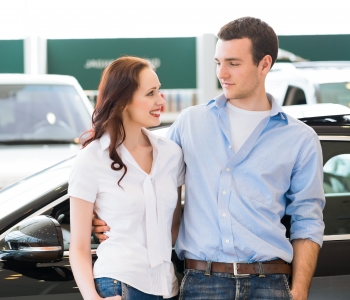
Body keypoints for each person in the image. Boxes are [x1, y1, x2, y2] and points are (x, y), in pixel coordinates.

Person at [94, 17, 325, 300]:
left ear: (264, 64)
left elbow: (307, 221)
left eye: (233, 63)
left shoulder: (300, 139)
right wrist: (100, 211)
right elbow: (144, 177)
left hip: (270, 284)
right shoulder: (191, 122)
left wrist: (299, 292)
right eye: (218, 62)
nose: (222, 73)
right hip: (203, 283)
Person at [69, 56, 185, 300]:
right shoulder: (91, 159)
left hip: (168, 286)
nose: (160, 100)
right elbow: (78, 247)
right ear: (122, 101)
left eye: (159, 91)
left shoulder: (171, 154)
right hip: (120, 284)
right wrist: (92, 298)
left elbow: (173, 225)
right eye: (150, 93)